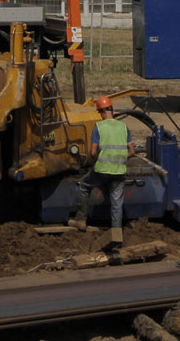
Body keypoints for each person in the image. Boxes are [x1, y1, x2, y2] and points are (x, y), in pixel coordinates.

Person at [68, 95, 136, 247]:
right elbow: (132, 151)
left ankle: (81, 220)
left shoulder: (98, 127)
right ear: (111, 109)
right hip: (119, 171)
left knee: (85, 185)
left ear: (101, 112)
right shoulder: (124, 127)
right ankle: (117, 235)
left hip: (102, 171)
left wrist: (97, 161)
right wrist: (120, 158)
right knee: (117, 202)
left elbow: (92, 153)